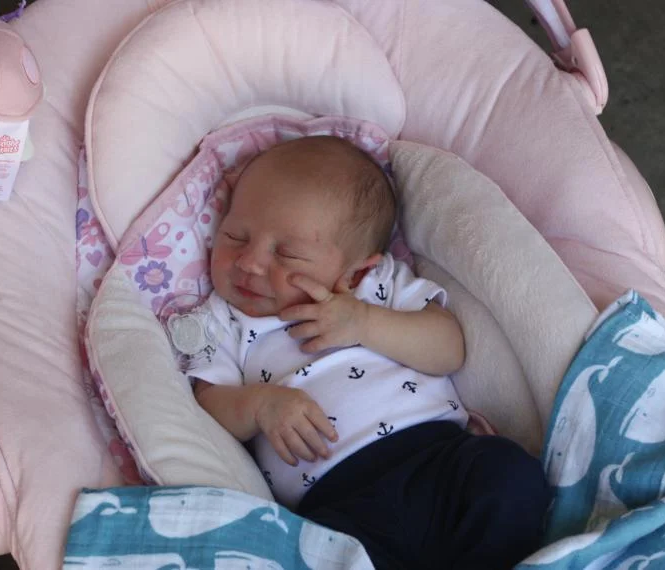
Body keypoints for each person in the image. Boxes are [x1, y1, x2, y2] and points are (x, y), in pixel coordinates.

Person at [190, 135, 549, 569]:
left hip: (438, 460)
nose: (249, 263)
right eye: (234, 236)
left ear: (355, 271)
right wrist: (260, 406)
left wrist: (363, 322)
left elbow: (449, 348)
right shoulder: (221, 320)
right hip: (338, 506)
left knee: (510, 474)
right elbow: (209, 403)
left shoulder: (375, 288)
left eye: (287, 253)